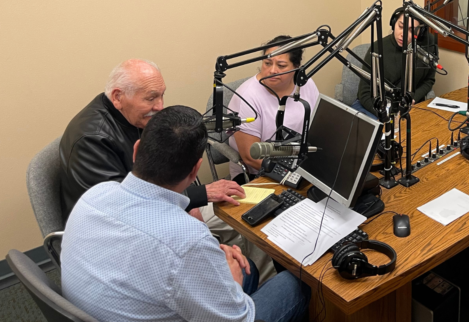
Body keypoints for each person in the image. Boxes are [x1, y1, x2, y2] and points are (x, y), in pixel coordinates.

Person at [61, 105, 308, 322]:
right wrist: (231, 281)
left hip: (103, 309)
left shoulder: (95, 195)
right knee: (299, 282)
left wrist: (207, 261)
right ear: (195, 171)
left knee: (249, 270)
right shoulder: (188, 240)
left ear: (137, 151)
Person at [58, 60, 273, 281]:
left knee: (242, 213)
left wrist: (190, 202)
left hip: (153, 209)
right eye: (151, 98)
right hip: (126, 237)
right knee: (239, 259)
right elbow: (127, 211)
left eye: (162, 95)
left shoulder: (130, 118)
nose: (160, 106)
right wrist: (194, 199)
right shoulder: (92, 141)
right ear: (117, 97)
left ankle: (252, 275)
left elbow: (153, 182)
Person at [228, 35, 320, 179]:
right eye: (267, 63)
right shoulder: (246, 97)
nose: (272, 70)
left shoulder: (305, 83)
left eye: (281, 66)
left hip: (301, 163)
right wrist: (289, 176)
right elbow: (250, 157)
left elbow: (317, 125)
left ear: (296, 67)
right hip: (260, 172)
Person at [352, 7, 437, 120]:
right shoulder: (377, 48)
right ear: (393, 24)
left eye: (411, 30)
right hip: (374, 108)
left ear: (420, 33)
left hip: (405, 109)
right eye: (401, 27)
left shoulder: (428, 45)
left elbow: (429, 80)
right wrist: (386, 115)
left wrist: (413, 98)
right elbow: (364, 94)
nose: (403, 34)